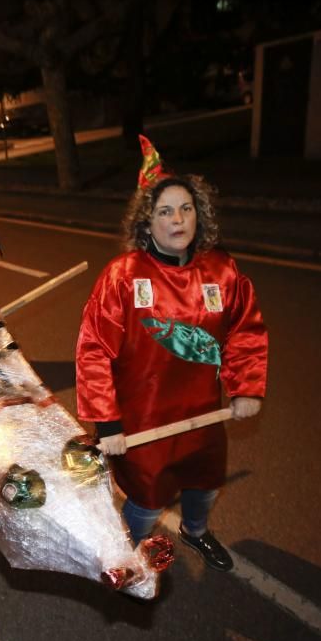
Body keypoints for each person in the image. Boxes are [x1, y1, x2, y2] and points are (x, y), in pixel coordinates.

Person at [74, 136, 268, 572]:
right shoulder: (123, 276)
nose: (178, 219)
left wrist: (245, 386)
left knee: (206, 485)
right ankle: (122, 555)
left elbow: (245, 331)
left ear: (199, 214)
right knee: (146, 502)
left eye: (186, 208)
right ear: (148, 221)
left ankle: (195, 533)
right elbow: (93, 350)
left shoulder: (222, 269)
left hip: (203, 415)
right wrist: (107, 421)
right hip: (144, 423)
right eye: (165, 211)